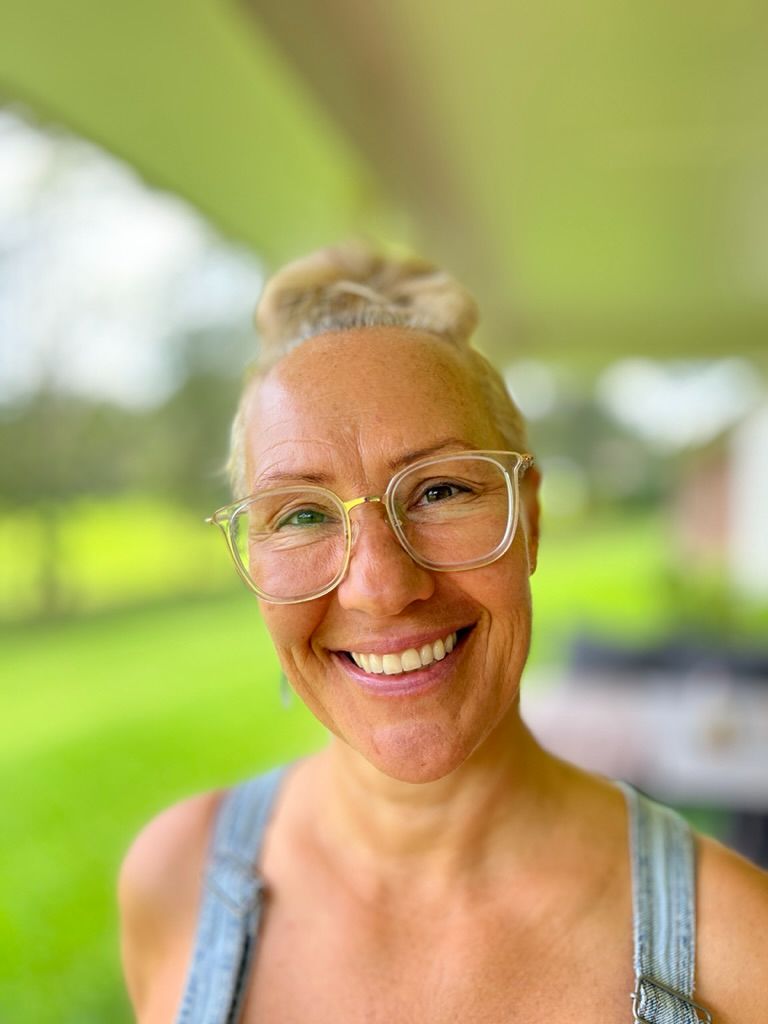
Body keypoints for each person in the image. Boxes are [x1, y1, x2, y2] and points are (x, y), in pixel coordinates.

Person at [119, 243, 768, 1024]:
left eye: (441, 491)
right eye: (302, 514)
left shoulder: (743, 954)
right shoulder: (172, 880)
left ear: (529, 517)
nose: (382, 587)